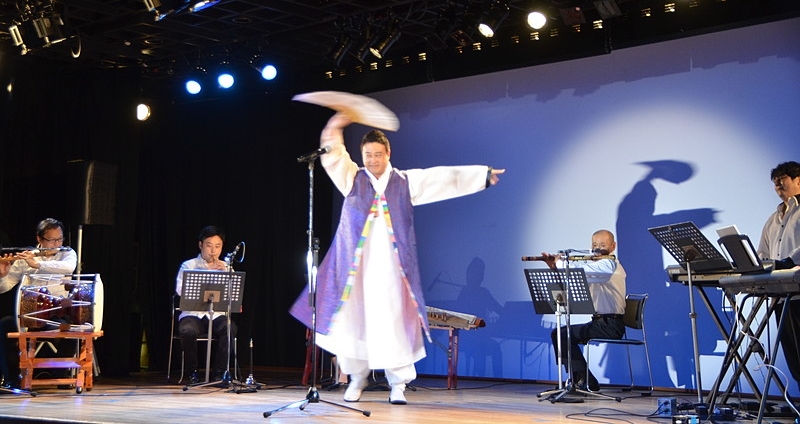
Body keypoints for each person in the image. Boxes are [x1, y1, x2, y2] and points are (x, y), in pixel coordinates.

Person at [290, 112, 504, 405]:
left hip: (392, 269)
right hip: (356, 270)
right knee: (353, 321)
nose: (372, 160)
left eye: (377, 154)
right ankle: (356, 378)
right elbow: (334, 156)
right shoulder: (352, 179)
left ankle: (398, 384)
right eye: (367, 155)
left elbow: (442, 178)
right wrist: (335, 125)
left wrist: (481, 176)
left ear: (388, 153)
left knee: (394, 323)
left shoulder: (404, 182)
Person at [541, 229, 626, 392]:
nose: (597, 248)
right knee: (560, 333)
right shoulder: (596, 265)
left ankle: (583, 381)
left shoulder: (609, 265)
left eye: (603, 245)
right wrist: (554, 267)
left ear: (613, 246)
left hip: (611, 324)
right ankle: (580, 380)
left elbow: (580, 272)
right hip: (599, 322)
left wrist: (562, 263)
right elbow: (574, 276)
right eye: (594, 245)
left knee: (562, 335)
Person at [0, 218, 78, 388]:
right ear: (40, 239)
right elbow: (4, 287)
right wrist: (3, 274)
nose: (57, 244)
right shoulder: (26, 257)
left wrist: (37, 264)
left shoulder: (67, 253)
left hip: (55, 314)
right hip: (29, 315)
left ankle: (59, 376)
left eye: (60, 239)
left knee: (72, 331)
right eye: (52, 240)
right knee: (4, 325)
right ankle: (12, 378)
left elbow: (68, 267)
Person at [175, 225, 238, 385]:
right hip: (192, 313)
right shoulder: (189, 265)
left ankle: (220, 373)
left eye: (218, 246)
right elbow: (179, 289)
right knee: (188, 331)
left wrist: (226, 274)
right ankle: (192, 372)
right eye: (209, 245)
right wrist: (204, 273)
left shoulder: (226, 267)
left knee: (229, 328)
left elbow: (233, 294)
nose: (213, 251)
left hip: (216, 314)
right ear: (200, 245)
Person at [756, 161, 800, 384]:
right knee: (793, 355)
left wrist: (788, 262)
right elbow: (762, 252)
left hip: (798, 290)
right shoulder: (773, 219)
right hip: (780, 295)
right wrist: (759, 266)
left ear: (798, 180)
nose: (778, 187)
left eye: (782, 181)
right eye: (775, 183)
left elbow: (791, 258)